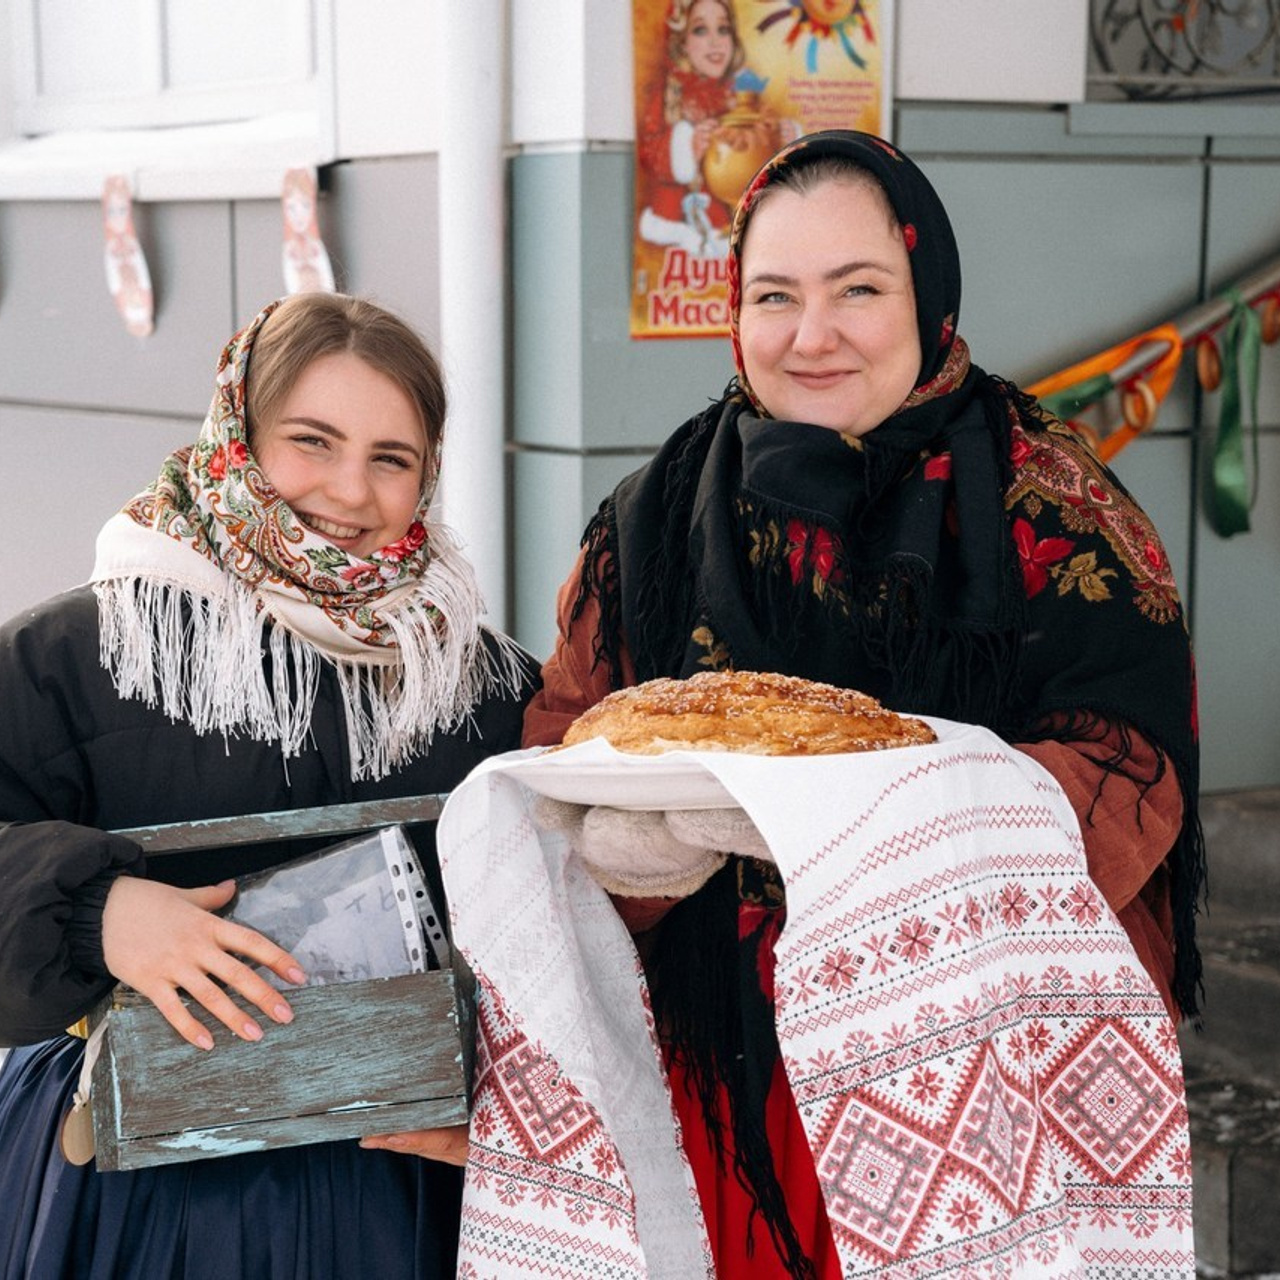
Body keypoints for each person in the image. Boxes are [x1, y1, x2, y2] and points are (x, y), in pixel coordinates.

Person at [523, 131, 1203, 1276]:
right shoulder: (653, 515)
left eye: (857, 291)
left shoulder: (1051, 504)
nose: (810, 334)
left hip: (976, 1066)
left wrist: (852, 837)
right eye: (773, 295)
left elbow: (1124, 766)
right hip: (723, 1069)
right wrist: (630, 851)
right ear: (731, 311)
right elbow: (568, 734)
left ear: (926, 296)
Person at [0, 293, 537, 1278]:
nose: (348, 487)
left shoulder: (483, 681)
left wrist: (513, 1103)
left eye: (390, 457)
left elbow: (561, 926)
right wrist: (97, 913)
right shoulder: (76, 653)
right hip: (140, 1190)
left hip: (398, 1186)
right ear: (236, 437)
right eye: (311, 440)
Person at [637, 0, 748, 257]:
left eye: (723, 29)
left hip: (726, 221)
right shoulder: (669, 93)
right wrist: (687, 146)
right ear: (682, 42)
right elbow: (649, 152)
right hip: (676, 221)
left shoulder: (738, 96)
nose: (715, 41)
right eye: (700, 30)